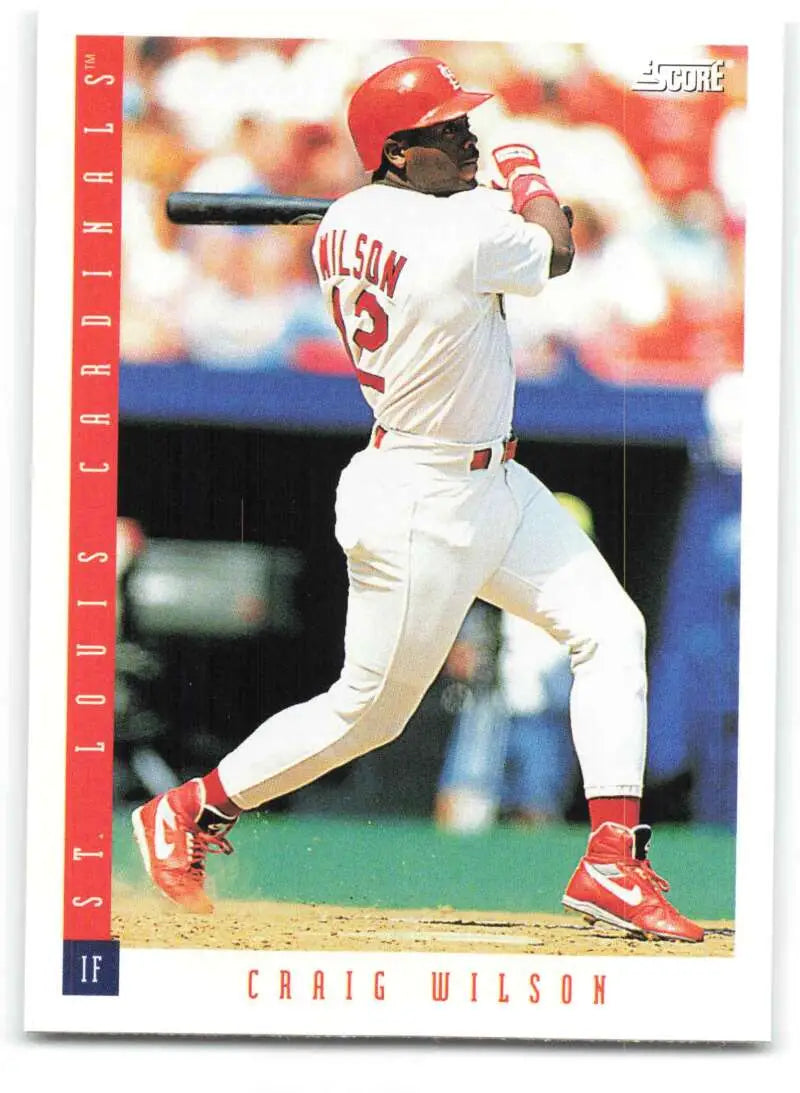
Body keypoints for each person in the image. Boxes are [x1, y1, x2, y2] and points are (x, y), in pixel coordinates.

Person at [132, 55, 703, 942]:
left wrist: (473, 193)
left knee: (611, 630)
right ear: (399, 155)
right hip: (420, 497)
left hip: (495, 482)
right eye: (446, 132)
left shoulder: (348, 223)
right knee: (372, 712)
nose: (469, 139)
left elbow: (422, 226)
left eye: (465, 127)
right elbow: (555, 245)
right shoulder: (461, 232)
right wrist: (528, 175)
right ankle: (191, 807)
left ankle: (611, 859)